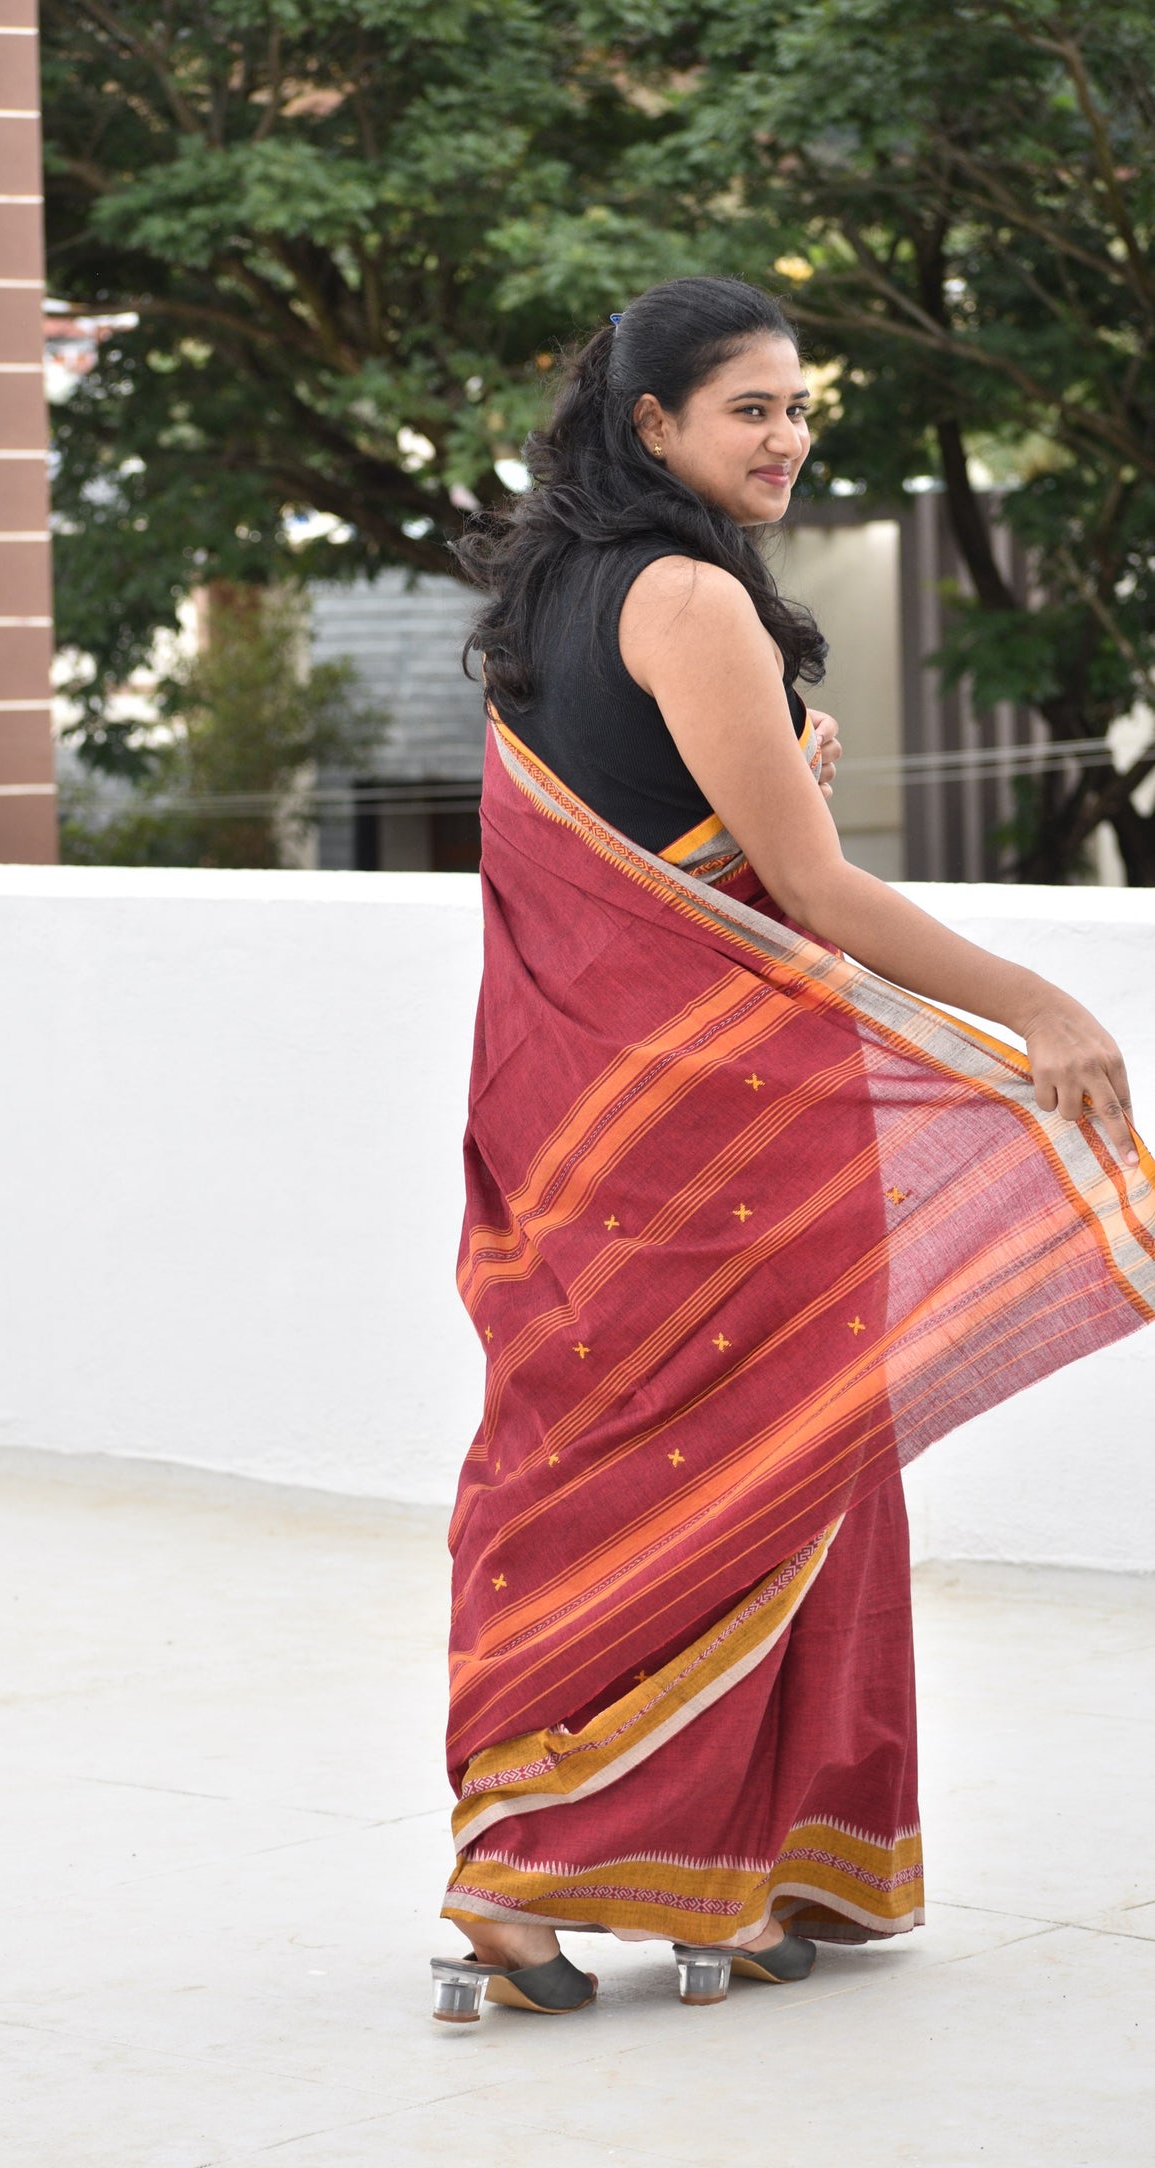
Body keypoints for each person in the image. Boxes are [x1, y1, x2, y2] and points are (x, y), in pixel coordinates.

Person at [428, 277, 1154, 2025]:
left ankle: (657, 1887)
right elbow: (808, 892)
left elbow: (668, 845)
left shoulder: (558, 595)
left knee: (632, 1469)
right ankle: (570, 1880)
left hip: (591, 1125)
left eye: (797, 403)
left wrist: (782, 788)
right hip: (725, 1125)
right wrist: (1041, 1009)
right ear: (652, 426)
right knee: (752, 1473)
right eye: (746, 406)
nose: (786, 434)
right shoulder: (689, 597)